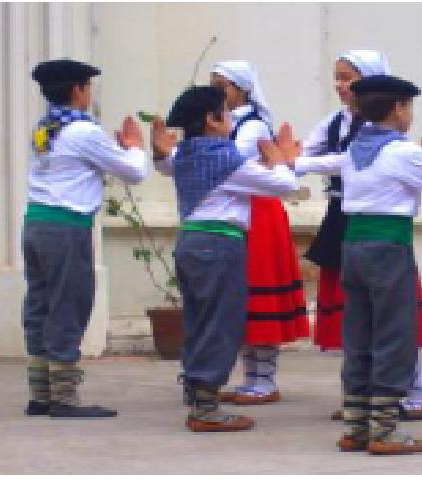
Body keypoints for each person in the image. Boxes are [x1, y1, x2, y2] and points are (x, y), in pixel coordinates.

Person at [293, 74, 422, 454]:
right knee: (394, 333)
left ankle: (357, 423)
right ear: (398, 109)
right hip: (388, 244)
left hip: (352, 246)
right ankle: (385, 428)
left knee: (357, 331)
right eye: (408, 107)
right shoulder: (403, 152)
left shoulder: (356, 149)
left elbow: (323, 164)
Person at [152, 85, 299, 432]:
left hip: (190, 240)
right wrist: (281, 161)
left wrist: (159, 155)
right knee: (221, 324)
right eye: (225, 112)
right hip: (220, 243)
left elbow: (166, 165)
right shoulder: (225, 158)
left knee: (200, 320)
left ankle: (197, 389)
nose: (231, 118)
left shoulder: (187, 154)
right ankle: (205, 407)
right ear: (212, 120)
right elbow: (283, 186)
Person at [302, 50, 422, 422]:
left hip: (374, 225)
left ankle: (407, 393)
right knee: (360, 316)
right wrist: (290, 161)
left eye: (349, 78)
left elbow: (322, 161)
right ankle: (366, 408)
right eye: (339, 77)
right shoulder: (336, 124)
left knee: (389, 317)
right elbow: (309, 154)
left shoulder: (380, 136)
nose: (341, 85)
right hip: (346, 219)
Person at [25, 58, 148, 418]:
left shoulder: (44, 128)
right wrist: (134, 145)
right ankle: (64, 396)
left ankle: (40, 391)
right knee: (69, 304)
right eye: (88, 87)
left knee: (39, 305)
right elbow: (134, 172)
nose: (90, 95)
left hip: (36, 221)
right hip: (66, 226)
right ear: (78, 90)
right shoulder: (83, 132)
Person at [210, 61, 309, 405]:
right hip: (239, 209)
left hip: (260, 213)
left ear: (242, 89)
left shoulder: (252, 127)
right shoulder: (224, 124)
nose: (217, 92)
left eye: (223, 86)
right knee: (240, 296)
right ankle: (250, 375)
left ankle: (263, 378)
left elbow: (230, 162)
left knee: (259, 292)